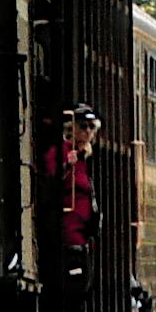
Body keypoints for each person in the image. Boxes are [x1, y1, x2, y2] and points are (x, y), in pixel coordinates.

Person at [43, 108, 101, 271]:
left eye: (92, 127)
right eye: (83, 126)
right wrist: (68, 164)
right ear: (72, 128)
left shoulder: (87, 157)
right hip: (69, 229)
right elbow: (52, 180)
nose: (88, 131)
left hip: (85, 232)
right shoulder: (61, 152)